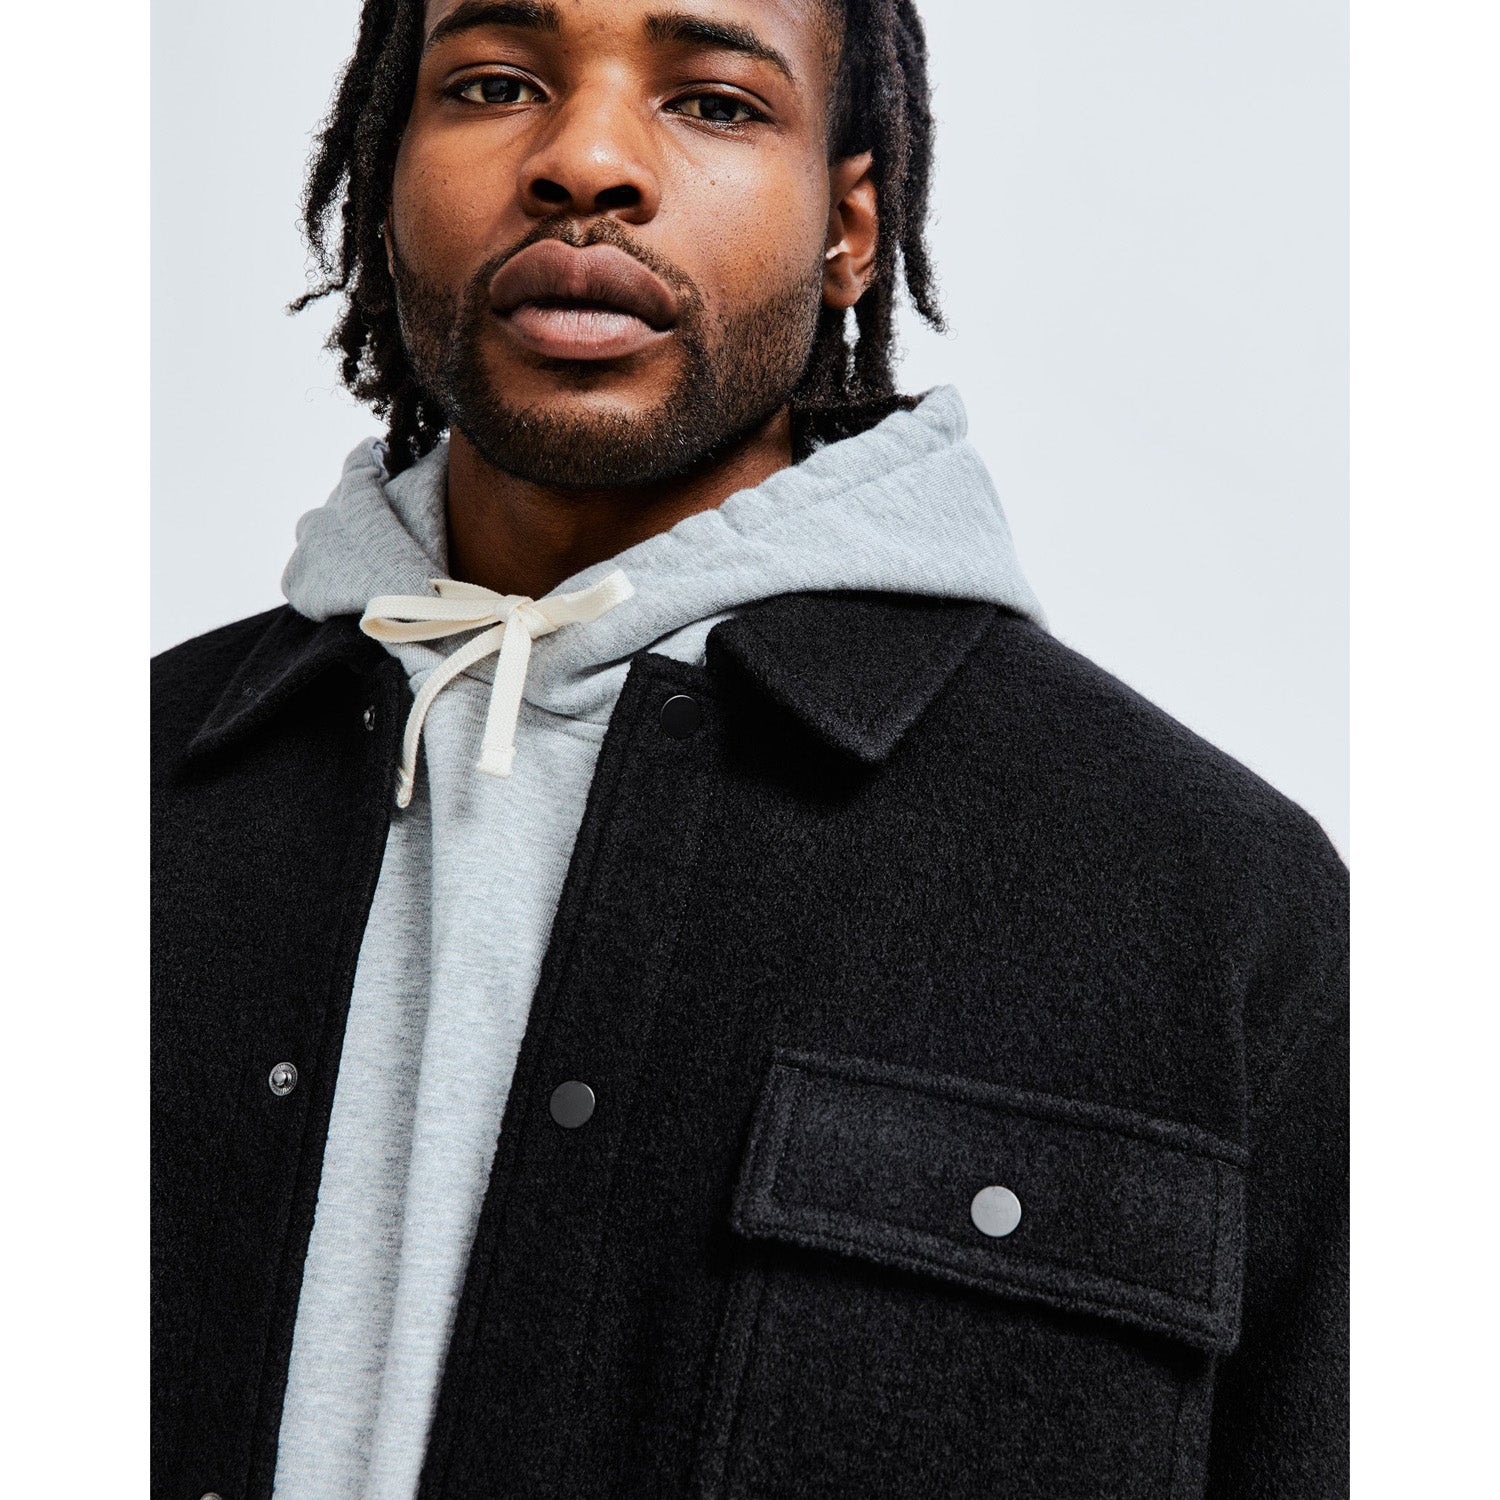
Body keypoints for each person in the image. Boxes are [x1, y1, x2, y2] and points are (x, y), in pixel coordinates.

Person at [151, 1, 1349, 1496]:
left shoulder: (1217, 907)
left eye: (714, 102)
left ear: (850, 229)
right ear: (386, 180)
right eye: (496, 83)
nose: (586, 158)